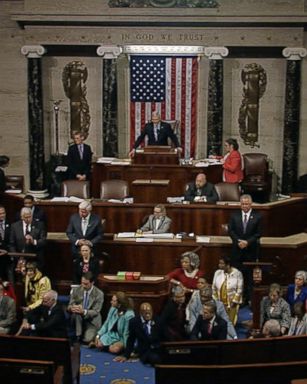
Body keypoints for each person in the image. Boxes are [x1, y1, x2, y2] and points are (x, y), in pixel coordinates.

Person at [228, 194, 261, 303]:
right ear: (240, 204)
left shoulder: (258, 216)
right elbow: (231, 231)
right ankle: (238, 298)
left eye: (247, 204)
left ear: (251, 204)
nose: (245, 206)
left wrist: (247, 242)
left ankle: (249, 299)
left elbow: (258, 233)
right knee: (237, 276)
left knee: (249, 278)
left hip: (250, 251)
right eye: (243, 204)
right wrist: (239, 241)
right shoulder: (234, 216)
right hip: (237, 251)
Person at [9, 207, 47, 280]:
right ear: (21, 217)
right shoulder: (15, 226)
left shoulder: (40, 225)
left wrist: (34, 241)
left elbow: (43, 241)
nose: (28, 219)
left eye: (30, 217)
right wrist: (17, 257)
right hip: (20, 260)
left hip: (35, 259)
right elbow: (11, 244)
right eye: (26, 217)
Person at [68, 271, 104, 344]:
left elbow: (96, 311)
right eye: (82, 283)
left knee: (87, 340)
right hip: (77, 318)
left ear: (92, 282)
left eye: (86, 284)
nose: (83, 285)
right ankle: (78, 336)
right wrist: (72, 308)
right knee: (77, 312)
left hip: (91, 320)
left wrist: (84, 311)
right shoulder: (76, 290)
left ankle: (83, 336)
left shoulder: (99, 294)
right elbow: (70, 305)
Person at [212, 256, 243, 325]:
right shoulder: (217, 272)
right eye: (219, 263)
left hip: (232, 302)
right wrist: (216, 300)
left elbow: (239, 289)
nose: (219, 265)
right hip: (219, 301)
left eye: (222, 263)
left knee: (230, 322)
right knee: (219, 321)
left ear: (228, 265)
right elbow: (213, 287)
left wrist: (234, 301)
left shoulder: (238, 273)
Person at [0, 205, 11, 280]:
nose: (2, 215)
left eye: (3, 213)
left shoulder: (11, 224)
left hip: (9, 256)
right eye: (0, 214)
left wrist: (7, 250)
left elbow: (13, 240)